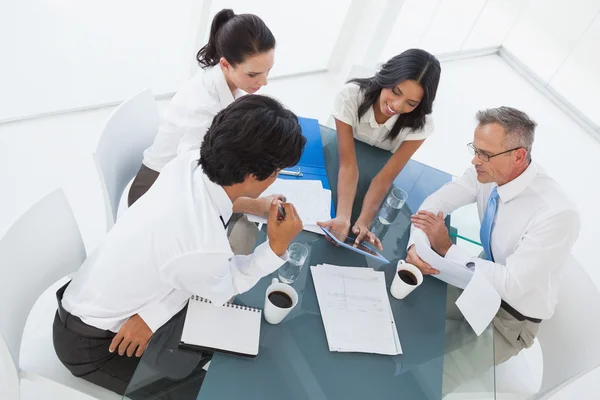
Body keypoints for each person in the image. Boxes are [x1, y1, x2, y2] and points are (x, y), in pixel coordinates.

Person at [53, 95, 306, 395]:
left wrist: (255, 205)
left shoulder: (188, 164)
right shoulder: (202, 244)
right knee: (218, 388)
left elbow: (187, 264)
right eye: (277, 171)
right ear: (253, 175)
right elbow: (222, 287)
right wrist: (275, 249)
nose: (276, 178)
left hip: (92, 298)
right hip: (92, 345)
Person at [406, 106, 580, 393]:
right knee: (406, 299)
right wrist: (417, 247)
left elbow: (511, 285)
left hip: (510, 319)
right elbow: (437, 203)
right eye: (475, 149)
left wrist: (448, 249)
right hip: (477, 283)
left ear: (519, 156)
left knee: (427, 379)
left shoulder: (556, 213)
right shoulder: (485, 172)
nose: (475, 160)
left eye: (485, 154)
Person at [128, 8, 276, 210]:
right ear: (225, 64)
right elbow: (198, 186)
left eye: (269, 70)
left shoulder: (229, 83)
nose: (264, 81)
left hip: (181, 182)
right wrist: (256, 205)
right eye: (253, 74)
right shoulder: (203, 107)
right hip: (154, 195)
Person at [318, 49, 441, 248]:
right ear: (386, 77)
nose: (397, 105)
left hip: (377, 173)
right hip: (340, 162)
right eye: (395, 91)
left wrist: (364, 222)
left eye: (411, 103)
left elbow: (385, 178)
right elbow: (348, 164)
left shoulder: (422, 124)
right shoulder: (350, 96)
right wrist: (343, 216)